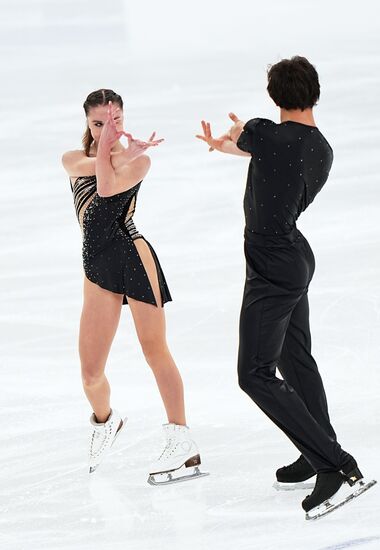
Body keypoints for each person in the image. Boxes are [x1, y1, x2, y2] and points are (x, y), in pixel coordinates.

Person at [196, 56, 375, 519]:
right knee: (294, 359)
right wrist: (232, 143)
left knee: (253, 372)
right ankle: (316, 446)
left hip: (273, 265)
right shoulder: (319, 147)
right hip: (294, 257)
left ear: (275, 98)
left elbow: (250, 136)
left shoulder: (267, 134)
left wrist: (232, 137)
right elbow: (261, 149)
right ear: (314, 92)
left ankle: (334, 463)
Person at [62, 89, 207, 485]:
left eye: (116, 121)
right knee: (90, 372)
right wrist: (112, 151)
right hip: (97, 266)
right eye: (99, 124)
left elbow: (108, 191)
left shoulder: (140, 161)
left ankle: (182, 439)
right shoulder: (73, 160)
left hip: (132, 255)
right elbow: (93, 167)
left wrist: (119, 151)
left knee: (154, 350)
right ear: (87, 123)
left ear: (124, 118)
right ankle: (106, 422)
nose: (109, 128)